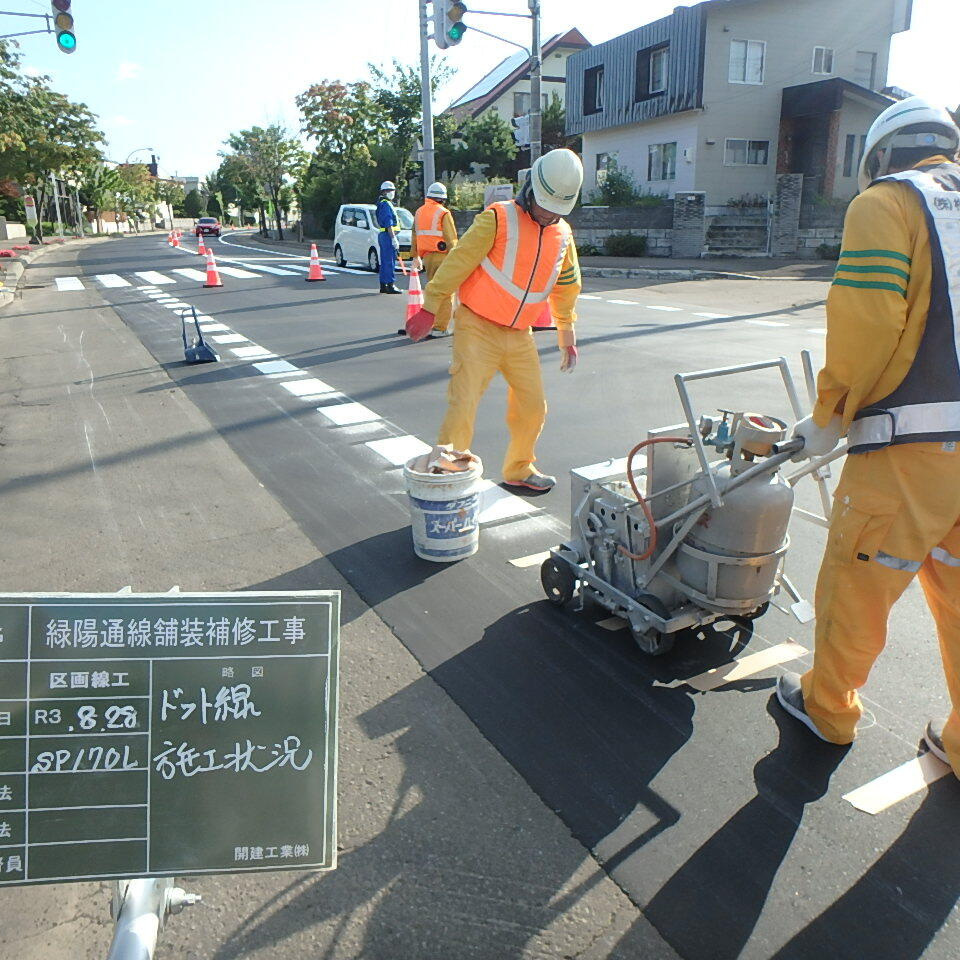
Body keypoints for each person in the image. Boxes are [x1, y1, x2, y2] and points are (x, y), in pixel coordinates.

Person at [774, 96, 960, 778]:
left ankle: (827, 710)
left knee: (858, 585)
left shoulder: (887, 203)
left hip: (911, 452)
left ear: (881, 153)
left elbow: (869, 324)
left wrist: (830, 414)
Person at [405, 148, 583, 493]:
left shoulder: (563, 234)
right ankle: (448, 474)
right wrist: (431, 306)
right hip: (477, 326)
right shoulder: (498, 218)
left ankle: (520, 467)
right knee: (464, 402)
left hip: (520, 335)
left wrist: (567, 334)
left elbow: (567, 285)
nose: (548, 216)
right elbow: (459, 261)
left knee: (533, 407)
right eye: (545, 206)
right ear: (530, 190)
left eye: (556, 211)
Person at [412, 181, 458, 336]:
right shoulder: (443, 213)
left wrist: (415, 256)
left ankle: (433, 324)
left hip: (427, 258)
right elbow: (451, 238)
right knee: (445, 293)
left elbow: (414, 236)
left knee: (433, 291)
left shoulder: (419, 212)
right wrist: (457, 258)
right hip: (443, 257)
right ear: (443, 199)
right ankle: (440, 327)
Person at [375, 180, 402, 294]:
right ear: (384, 192)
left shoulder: (383, 203)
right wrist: (393, 238)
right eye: (389, 190)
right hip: (387, 235)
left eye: (393, 190)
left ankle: (383, 285)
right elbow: (388, 223)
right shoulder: (385, 204)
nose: (392, 192)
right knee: (389, 261)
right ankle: (390, 285)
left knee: (385, 261)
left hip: (384, 235)